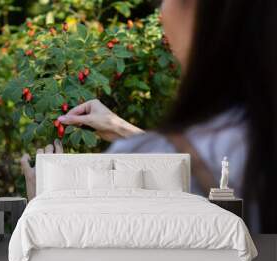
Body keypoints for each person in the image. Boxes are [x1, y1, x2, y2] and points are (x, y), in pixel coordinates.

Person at [21, 0, 277, 233]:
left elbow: (86, 254)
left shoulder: (133, 156)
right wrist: (121, 128)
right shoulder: (254, 137)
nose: (161, 12)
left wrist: (43, 200)